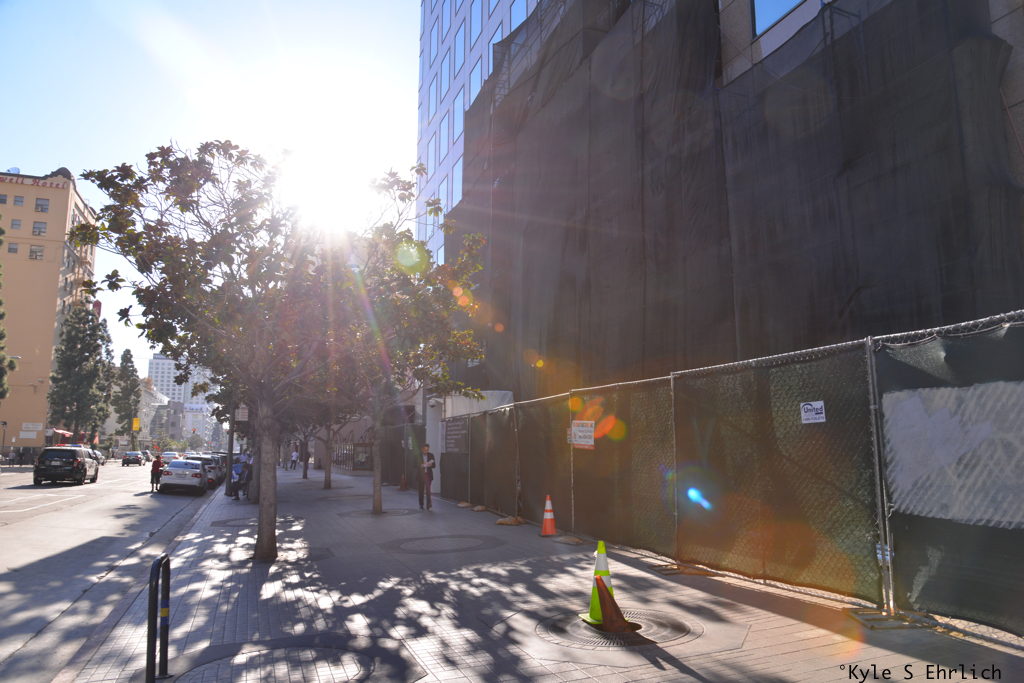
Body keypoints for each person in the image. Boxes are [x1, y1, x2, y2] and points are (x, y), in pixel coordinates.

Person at [418, 444, 436, 510]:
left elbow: (434, 465)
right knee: (421, 490)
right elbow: (414, 465)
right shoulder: (418, 456)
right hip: (421, 475)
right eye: (425, 450)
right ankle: (421, 504)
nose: (426, 451)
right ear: (422, 449)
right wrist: (420, 465)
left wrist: (430, 465)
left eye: (427, 450)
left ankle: (429, 505)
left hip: (428, 475)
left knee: (428, 490)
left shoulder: (431, 455)